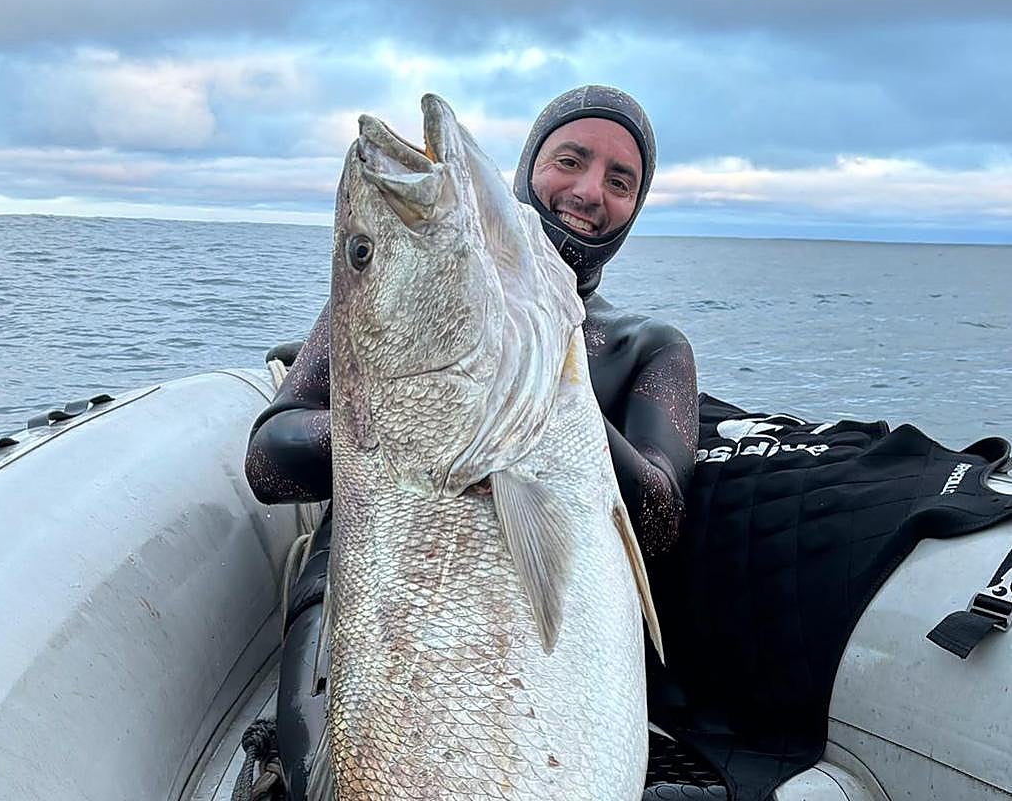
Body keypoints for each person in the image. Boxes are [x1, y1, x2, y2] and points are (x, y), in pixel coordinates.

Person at [242, 84, 699, 797]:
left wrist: (542, 402)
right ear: (527, 167)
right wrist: (420, 425)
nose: (588, 190)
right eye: (570, 160)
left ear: (635, 207)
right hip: (366, 601)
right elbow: (270, 459)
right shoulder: (380, 295)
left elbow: (661, 513)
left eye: (620, 179)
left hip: (561, 637)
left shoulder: (651, 346)